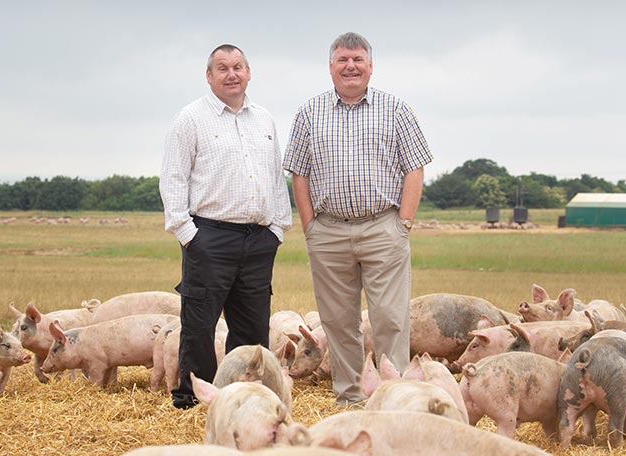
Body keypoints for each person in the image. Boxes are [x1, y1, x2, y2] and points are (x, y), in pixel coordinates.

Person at [283, 32, 432, 404]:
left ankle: (392, 396)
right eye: (343, 60)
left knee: (390, 319)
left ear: (370, 66)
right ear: (331, 67)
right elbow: (298, 173)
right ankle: (350, 397)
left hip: (383, 227)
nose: (351, 67)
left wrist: (404, 223)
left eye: (358, 60)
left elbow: (415, 168)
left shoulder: (396, 109)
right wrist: (309, 226)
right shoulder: (309, 113)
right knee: (337, 320)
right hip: (329, 231)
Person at [159, 44, 292, 409]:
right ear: (209, 76)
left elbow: (275, 178)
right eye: (222, 68)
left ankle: (244, 397)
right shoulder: (191, 118)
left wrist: (278, 229)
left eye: (237, 67)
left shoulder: (264, 119)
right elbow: (172, 178)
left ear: (249, 72)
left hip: (259, 238)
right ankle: (193, 400)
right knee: (200, 325)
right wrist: (189, 235)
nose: (231, 74)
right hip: (209, 237)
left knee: (252, 328)